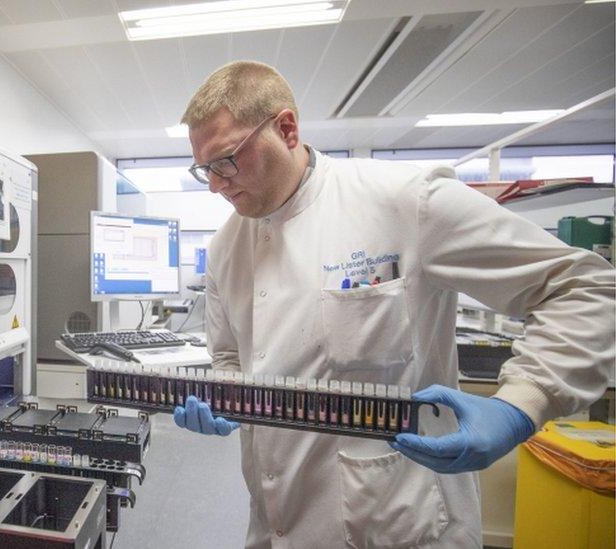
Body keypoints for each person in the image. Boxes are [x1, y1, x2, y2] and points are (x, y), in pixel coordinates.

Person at [173, 60, 614, 548]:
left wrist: (522, 405)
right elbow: (232, 357)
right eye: (203, 170)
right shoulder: (225, 247)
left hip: (400, 519)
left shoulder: (404, 201)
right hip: (274, 519)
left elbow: (585, 286)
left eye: (227, 159)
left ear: (287, 128)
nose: (215, 185)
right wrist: (226, 394)